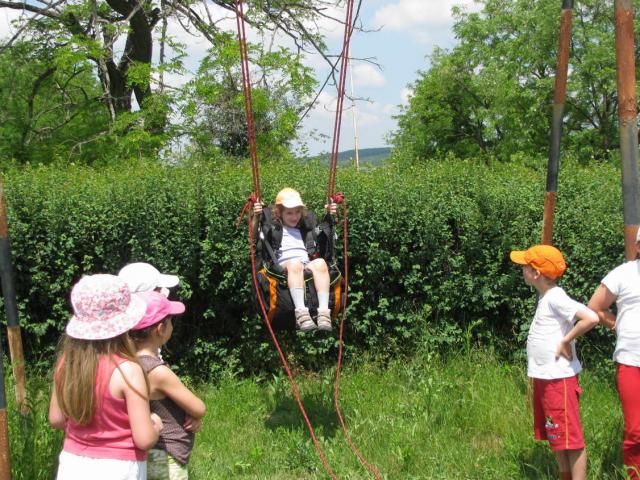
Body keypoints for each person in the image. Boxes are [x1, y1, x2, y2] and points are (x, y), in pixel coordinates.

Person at [48, 274, 163, 480]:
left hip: (72, 464)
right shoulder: (128, 370)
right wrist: (154, 424)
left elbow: (56, 419)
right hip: (119, 469)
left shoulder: (66, 363)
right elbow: (144, 439)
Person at [510, 245, 598, 480]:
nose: (522, 270)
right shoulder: (546, 296)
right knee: (556, 434)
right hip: (546, 379)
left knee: (572, 439)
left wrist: (566, 340)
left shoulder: (556, 297)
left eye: (525, 266)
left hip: (559, 380)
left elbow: (591, 317)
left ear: (536, 273)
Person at [129, 291, 206, 480]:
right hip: (166, 455)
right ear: (161, 329)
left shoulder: (130, 364)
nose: (172, 326)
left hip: (147, 453)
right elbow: (199, 407)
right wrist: (194, 414)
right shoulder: (158, 371)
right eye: (171, 321)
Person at [588, 229, 640, 479]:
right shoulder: (623, 274)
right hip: (631, 360)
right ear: (638, 247)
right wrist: (617, 325)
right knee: (636, 431)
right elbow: (595, 307)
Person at [253, 187, 337, 332]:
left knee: (320, 263)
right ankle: (301, 313)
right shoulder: (273, 229)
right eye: (289, 213)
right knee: (295, 264)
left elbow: (324, 232)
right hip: (284, 265)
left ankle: (324, 313)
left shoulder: (304, 230)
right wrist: (256, 217)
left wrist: (330, 214)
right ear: (279, 213)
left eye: (298, 212)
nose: (294, 217)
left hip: (304, 264)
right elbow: (254, 235)